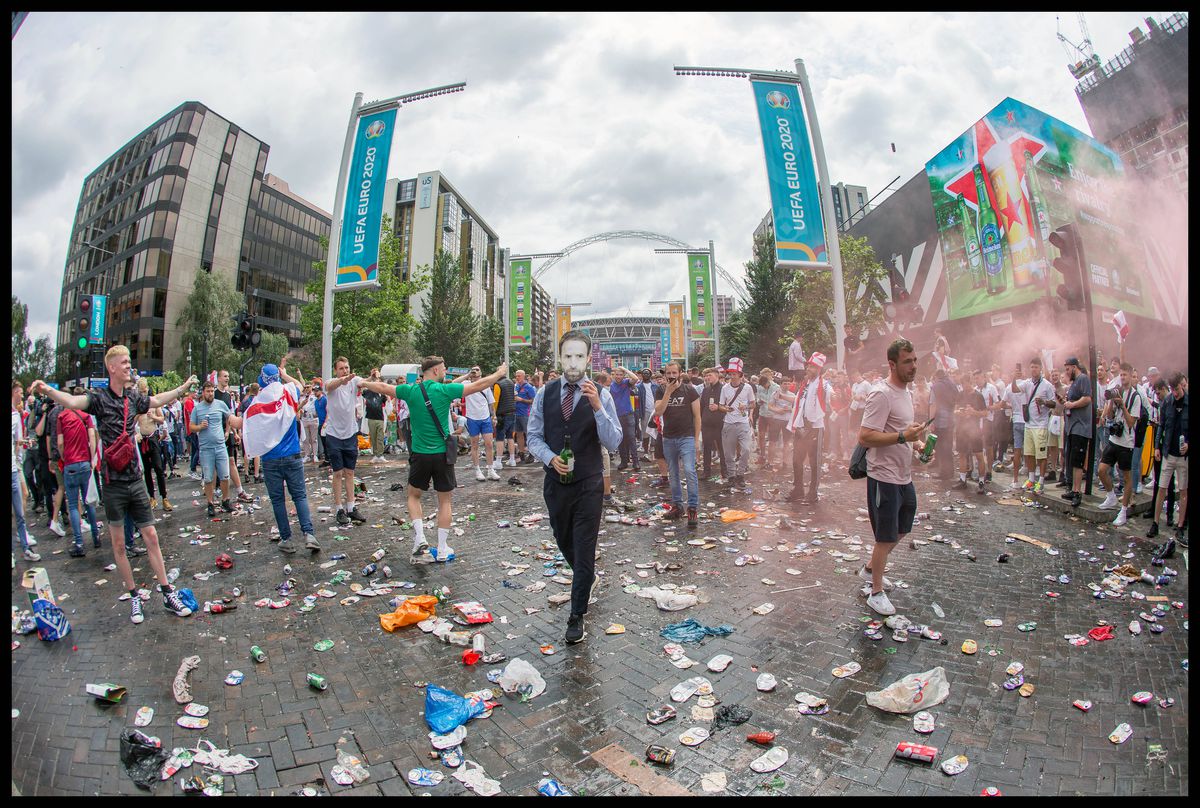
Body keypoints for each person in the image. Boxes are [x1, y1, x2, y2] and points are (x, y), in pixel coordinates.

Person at [30, 348, 198, 624]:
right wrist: (48, 390)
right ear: (111, 368)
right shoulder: (99, 398)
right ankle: (134, 596)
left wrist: (182, 388)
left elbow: (156, 399)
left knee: (152, 537)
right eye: (124, 363)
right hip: (112, 483)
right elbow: (72, 402)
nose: (129, 366)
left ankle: (167, 591)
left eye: (129, 362)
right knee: (119, 545)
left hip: (134, 479)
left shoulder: (133, 397)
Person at [526, 330, 623, 644]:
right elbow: (533, 436)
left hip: (589, 484)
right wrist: (550, 458)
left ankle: (576, 614)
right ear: (560, 357)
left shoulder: (601, 394)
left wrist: (597, 406)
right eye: (567, 355)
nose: (573, 362)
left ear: (589, 358)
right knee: (562, 538)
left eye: (579, 356)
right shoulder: (546, 393)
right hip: (556, 484)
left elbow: (613, 441)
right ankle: (587, 577)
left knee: (584, 547)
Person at [363, 357, 507, 562]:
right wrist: (499, 373)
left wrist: (364, 382)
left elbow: (383, 387)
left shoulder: (411, 390)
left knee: (413, 496)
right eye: (444, 369)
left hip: (420, 454)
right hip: (442, 455)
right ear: (436, 370)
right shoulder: (444, 391)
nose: (446, 372)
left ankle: (420, 538)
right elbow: (478, 385)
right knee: (445, 501)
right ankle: (441, 548)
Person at [858, 338, 931, 616]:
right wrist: (903, 436)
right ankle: (875, 592)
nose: (913, 366)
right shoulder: (881, 393)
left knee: (903, 527)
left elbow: (904, 431)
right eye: (907, 362)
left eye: (914, 360)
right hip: (883, 476)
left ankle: (869, 569)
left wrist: (917, 444)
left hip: (904, 475)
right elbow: (865, 436)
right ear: (892, 364)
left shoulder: (907, 392)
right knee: (885, 536)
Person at [244, 359, 319, 554]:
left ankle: (286, 539)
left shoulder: (258, 401)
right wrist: (285, 374)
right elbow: (301, 385)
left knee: (278, 500)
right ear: (277, 377)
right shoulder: (288, 391)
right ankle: (309, 534)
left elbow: (250, 425)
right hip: (292, 453)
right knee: (300, 495)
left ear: (261, 381)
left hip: (270, 458)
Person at [654, 361, 702, 528]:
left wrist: (696, 440)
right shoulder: (660, 389)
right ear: (665, 375)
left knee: (689, 470)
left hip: (687, 437)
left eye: (675, 372)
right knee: (673, 472)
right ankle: (677, 506)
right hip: (668, 438)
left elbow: (697, 416)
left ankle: (693, 508)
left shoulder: (690, 390)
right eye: (669, 373)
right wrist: (668, 391)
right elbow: (658, 411)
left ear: (680, 373)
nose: (672, 376)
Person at [324, 356, 369, 525]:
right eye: (342, 368)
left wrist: (372, 379)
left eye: (347, 367)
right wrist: (343, 379)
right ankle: (339, 509)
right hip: (334, 434)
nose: (345, 370)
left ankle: (351, 507)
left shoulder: (354, 380)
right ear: (336, 370)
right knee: (337, 473)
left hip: (350, 434)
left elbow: (365, 383)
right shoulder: (331, 382)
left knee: (350, 473)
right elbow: (330, 386)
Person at [58, 386, 102, 557]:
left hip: (70, 463)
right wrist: (91, 458)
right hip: (85, 462)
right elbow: (92, 437)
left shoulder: (62, 417)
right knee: (89, 500)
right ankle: (95, 535)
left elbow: (60, 443)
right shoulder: (86, 417)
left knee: (73, 505)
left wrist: (64, 457)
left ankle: (78, 542)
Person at [1146, 372, 1187, 550]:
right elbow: (1162, 424)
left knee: (1183, 490)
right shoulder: (1168, 402)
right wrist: (1156, 447)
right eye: (1172, 389)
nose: (1175, 393)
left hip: (1183, 455)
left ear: (1182, 386)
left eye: (1176, 389)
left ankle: (1180, 526)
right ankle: (1155, 522)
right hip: (1168, 452)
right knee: (1161, 487)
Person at [1097, 363, 1141, 527]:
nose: (1122, 378)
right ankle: (1111, 497)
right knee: (1101, 470)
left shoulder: (1135, 396)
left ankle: (1123, 511)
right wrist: (1110, 402)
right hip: (1114, 438)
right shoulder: (1117, 391)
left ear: (1130, 375)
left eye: (1125, 375)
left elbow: (1130, 423)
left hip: (1126, 442)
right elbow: (1109, 416)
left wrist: (1122, 405)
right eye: (1121, 375)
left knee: (1127, 476)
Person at [786, 353, 833, 505]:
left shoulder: (824, 385)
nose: (808, 368)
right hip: (801, 427)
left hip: (815, 428)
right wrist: (781, 396)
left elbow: (831, 397)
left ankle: (813, 492)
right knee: (796, 460)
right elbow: (799, 401)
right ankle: (798, 489)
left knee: (814, 462)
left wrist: (835, 396)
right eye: (809, 366)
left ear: (819, 369)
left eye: (812, 366)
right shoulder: (805, 384)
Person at [189, 381, 236, 518]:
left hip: (220, 446)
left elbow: (229, 417)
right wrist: (199, 427)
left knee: (225, 475)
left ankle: (225, 500)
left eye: (211, 391)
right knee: (209, 478)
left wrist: (228, 431)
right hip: (206, 448)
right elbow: (191, 427)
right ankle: (210, 503)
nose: (210, 393)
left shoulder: (220, 404)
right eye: (207, 391)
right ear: (203, 392)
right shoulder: (197, 409)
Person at [1016, 357, 1056, 493]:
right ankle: (1031, 479)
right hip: (1029, 424)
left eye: (1036, 367)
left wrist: (1044, 402)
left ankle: (1041, 482)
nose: (1033, 369)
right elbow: (1015, 389)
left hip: (1041, 425)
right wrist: (1013, 378)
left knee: (1041, 456)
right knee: (1028, 454)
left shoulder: (1047, 385)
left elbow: (1054, 403)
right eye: (1032, 367)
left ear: (1040, 369)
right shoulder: (1027, 383)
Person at [715, 358, 755, 489]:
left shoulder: (748, 388)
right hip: (729, 423)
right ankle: (732, 476)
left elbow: (753, 404)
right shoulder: (725, 388)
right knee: (728, 453)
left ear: (740, 375)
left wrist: (747, 407)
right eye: (730, 374)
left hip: (743, 423)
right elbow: (720, 406)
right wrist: (726, 408)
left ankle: (741, 475)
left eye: (734, 373)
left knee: (746, 450)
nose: (732, 376)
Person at [214, 370, 253, 504]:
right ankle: (215, 490)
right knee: (215, 464)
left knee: (231, 461)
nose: (227, 378)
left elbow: (230, 415)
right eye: (225, 376)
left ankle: (240, 491)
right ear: (218, 378)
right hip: (215, 433)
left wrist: (234, 432)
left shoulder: (228, 396)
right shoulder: (213, 394)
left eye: (228, 376)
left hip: (227, 431)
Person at [1059, 357, 1093, 508]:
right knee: (1072, 459)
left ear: (1074, 367)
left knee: (1078, 461)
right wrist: (1064, 403)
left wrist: (1072, 404)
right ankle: (1073, 489)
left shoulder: (1083, 379)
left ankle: (1078, 492)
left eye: (1067, 369)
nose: (1066, 372)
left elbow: (1087, 399)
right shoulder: (1073, 384)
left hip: (1081, 427)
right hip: (1071, 426)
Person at [134, 378, 172, 512]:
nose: (144, 394)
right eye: (141, 392)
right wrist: (137, 417)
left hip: (153, 437)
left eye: (145, 391)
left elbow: (162, 420)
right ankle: (152, 497)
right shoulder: (137, 405)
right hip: (142, 439)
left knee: (159, 468)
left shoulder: (154, 402)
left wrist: (153, 417)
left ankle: (164, 498)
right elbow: (131, 423)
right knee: (147, 470)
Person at [12, 381, 39, 563]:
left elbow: (17, 442)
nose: (22, 396)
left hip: (13, 469)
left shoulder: (16, 415)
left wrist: (24, 443)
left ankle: (25, 548)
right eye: (20, 392)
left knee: (20, 513)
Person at [461, 365, 500, 481]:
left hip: (485, 418)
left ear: (481, 373)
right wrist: (468, 375)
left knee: (489, 444)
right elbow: (454, 382)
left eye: (477, 370)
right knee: (475, 445)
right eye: (473, 370)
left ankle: (490, 469)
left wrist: (494, 416)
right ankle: (477, 470)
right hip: (472, 418)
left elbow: (491, 403)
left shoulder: (486, 386)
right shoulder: (466, 384)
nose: (475, 372)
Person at [609, 365, 640, 472]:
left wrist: (626, 370)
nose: (618, 376)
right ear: (613, 375)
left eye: (620, 375)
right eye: (616, 375)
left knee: (631, 437)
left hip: (628, 414)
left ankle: (636, 462)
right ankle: (624, 461)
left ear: (623, 375)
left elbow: (636, 379)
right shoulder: (611, 385)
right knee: (620, 439)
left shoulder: (626, 382)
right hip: (616, 416)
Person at [930, 369, 959, 481]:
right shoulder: (952, 385)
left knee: (941, 448)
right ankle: (950, 472)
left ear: (937, 377)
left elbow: (933, 405)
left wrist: (931, 421)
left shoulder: (936, 387)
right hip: (951, 420)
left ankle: (943, 473)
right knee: (948, 447)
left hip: (940, 421)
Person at [699, 367, 728, 481]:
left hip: (719, 422)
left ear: (717, 375)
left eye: (709, 375)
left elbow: (728, 406)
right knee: (706, 448)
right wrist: (701, 420)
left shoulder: (724, 389)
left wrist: (719, 408)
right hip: (707, 422)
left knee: (722, 448)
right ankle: (706, 472)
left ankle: (724, 471)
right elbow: (702, 405)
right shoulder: (706, 389)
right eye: (706, 376)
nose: (707, 378)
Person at [362, 368, 388, 464]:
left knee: (380, 437)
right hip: (371, 417)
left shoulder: (381, 393)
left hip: (380, 417)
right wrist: (371, 376)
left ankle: (380, 455)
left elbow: (387, 402)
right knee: (373, 437)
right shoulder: (367, 392)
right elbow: (360, 387)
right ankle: (375, 454)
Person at [493, 369, 517, 468]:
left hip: (502, 415)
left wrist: (493, 414)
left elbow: (495, 401)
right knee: (510, 437)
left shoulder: (497, 384)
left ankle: (498, 461)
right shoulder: (511, 382)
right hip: (512, 413)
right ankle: (512, 459)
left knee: (499, 438)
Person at [513, 369, 536, 464]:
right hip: (516, 413)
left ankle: (532, 454)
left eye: (519, 376)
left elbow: (534, 401)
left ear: (523, 376)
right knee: (519, 434)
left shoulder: (529, 387)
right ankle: (521, 453)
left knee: (528, 434)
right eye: (516, 376)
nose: (517, 377)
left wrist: (521, 399)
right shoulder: (516, 386)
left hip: (525, 414)